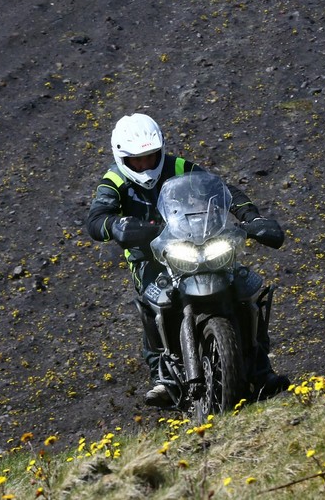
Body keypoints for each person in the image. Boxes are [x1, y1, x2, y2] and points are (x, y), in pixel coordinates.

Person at [85, 112, 290, 407]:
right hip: (148, 257)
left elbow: (222, 191)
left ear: (161, 150)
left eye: (151, 157)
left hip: (196, 243)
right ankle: (161, 375)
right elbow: (96, 218)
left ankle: (261, 368)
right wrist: (116, 226)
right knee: (153, 299)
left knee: (246, 286)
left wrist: (251, 217)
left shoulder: (180, 167)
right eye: (137, 160)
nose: (145, 165)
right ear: (122, 158)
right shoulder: (113, 181)